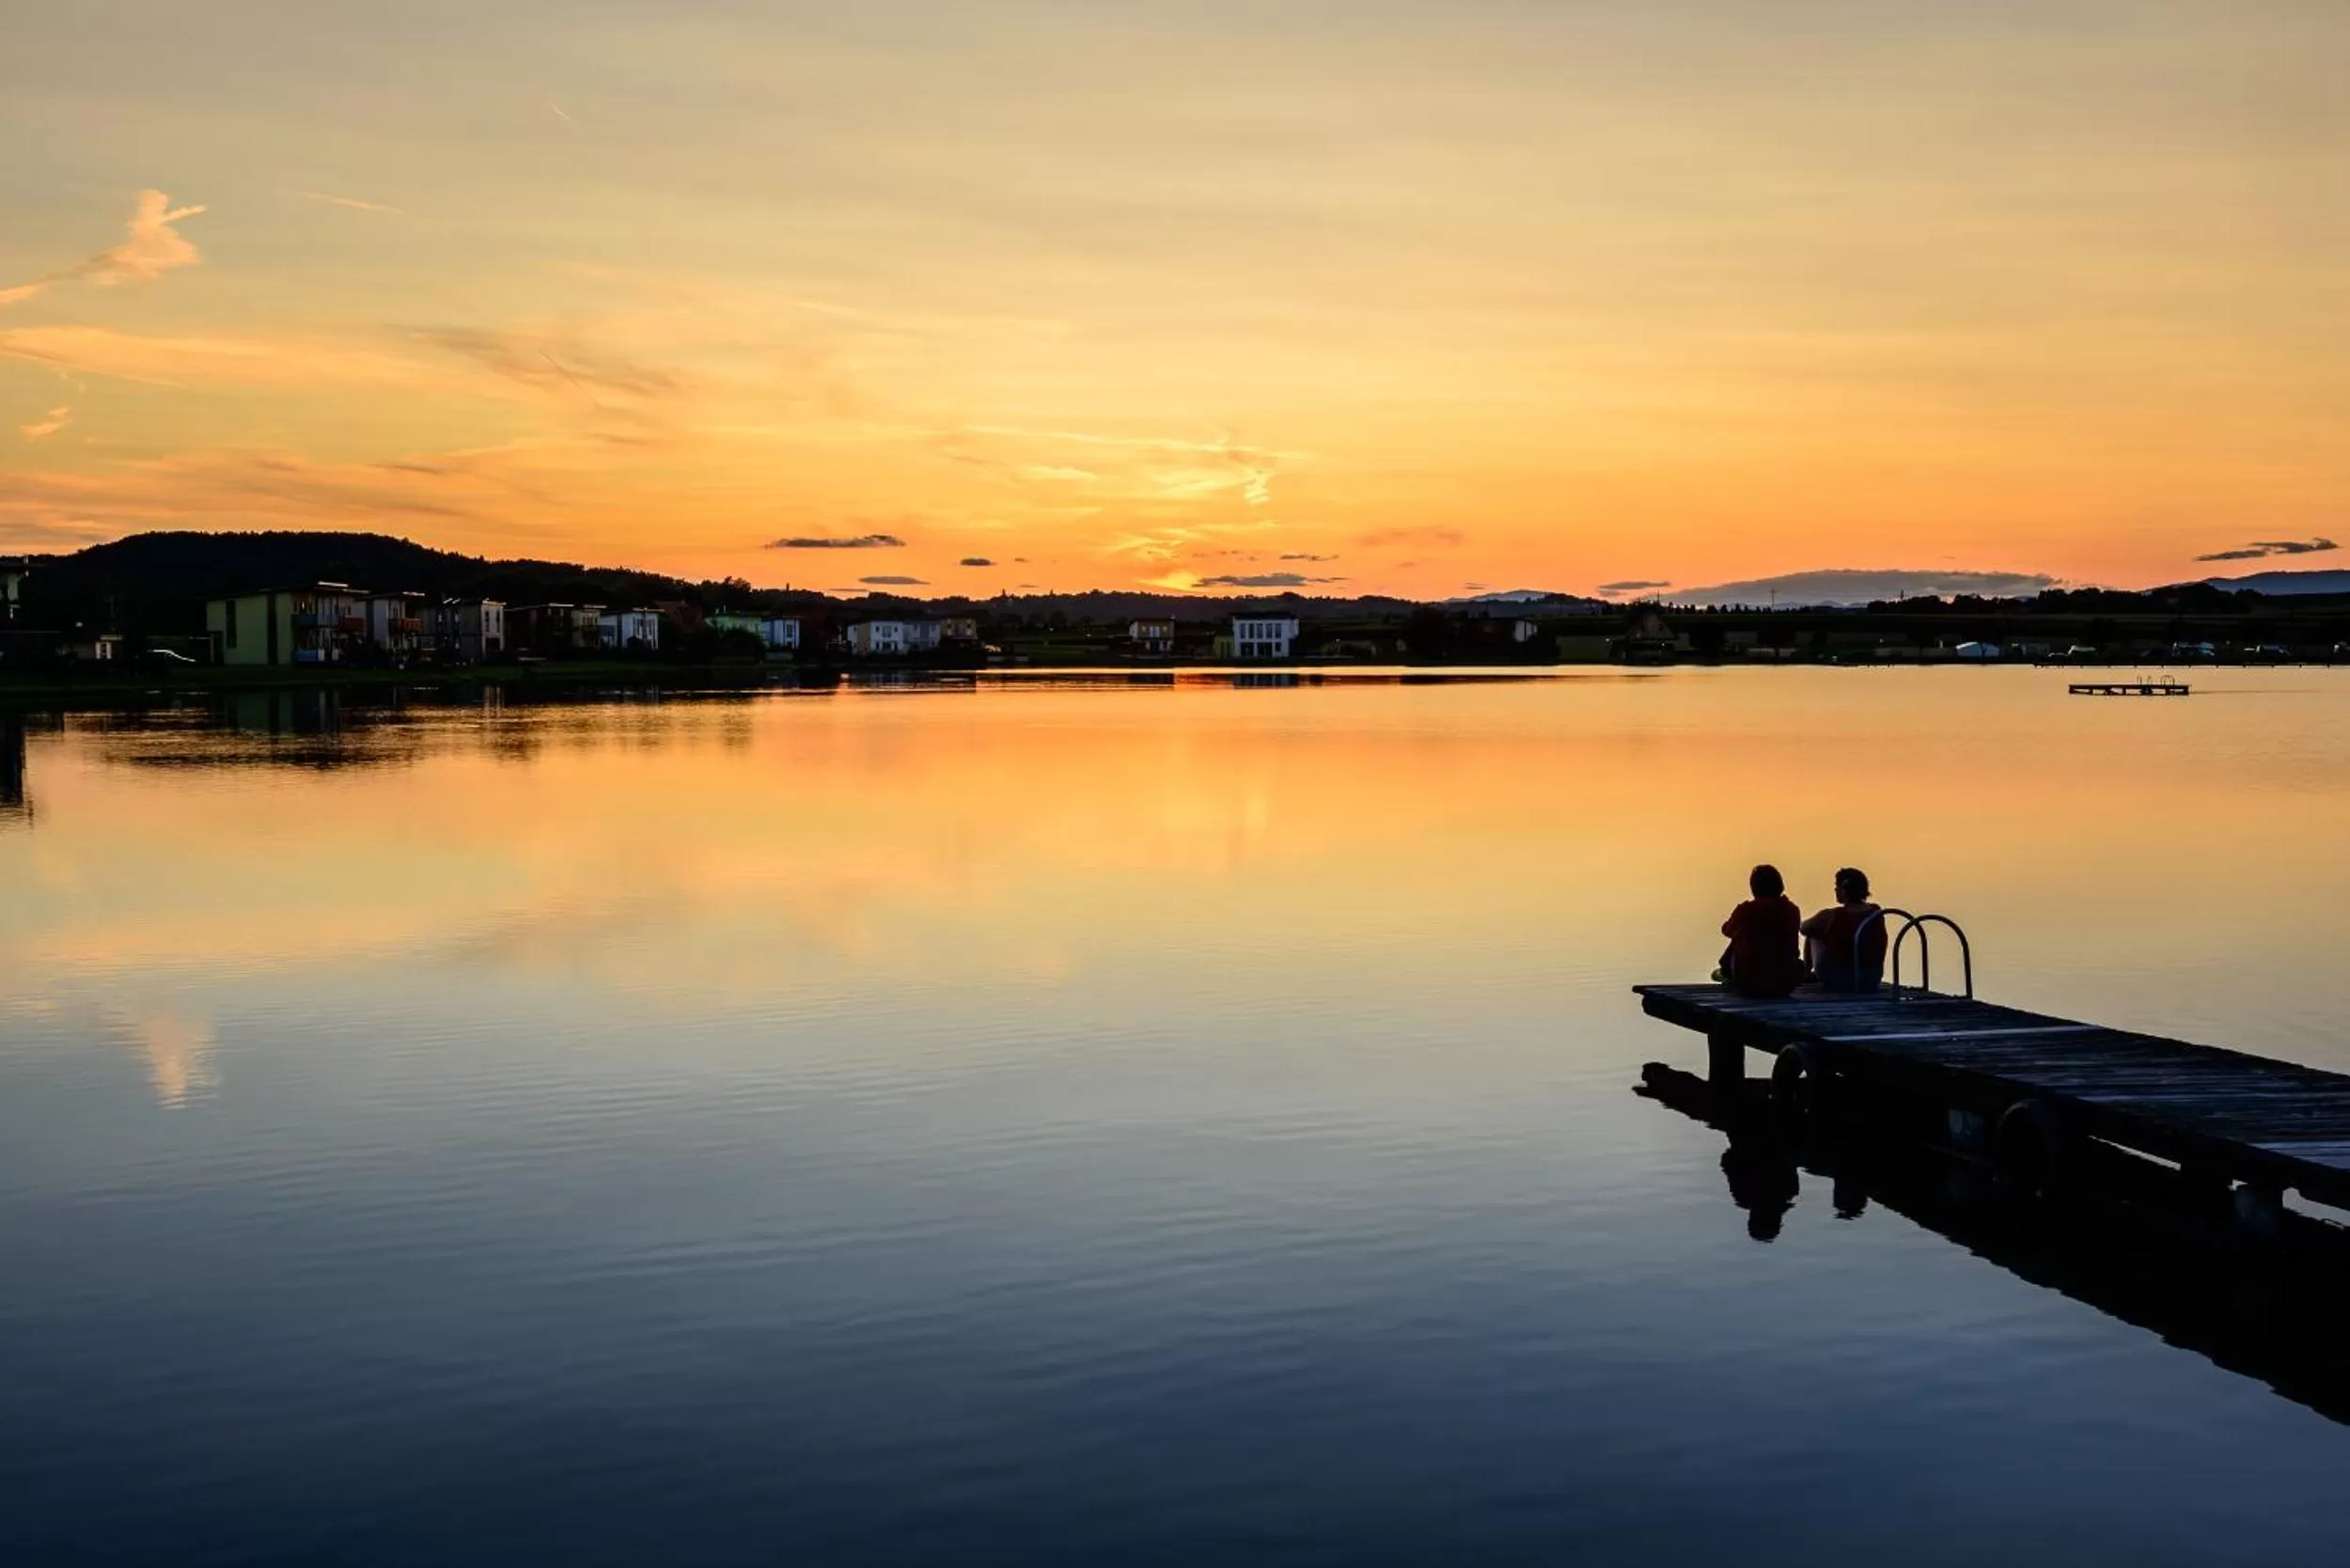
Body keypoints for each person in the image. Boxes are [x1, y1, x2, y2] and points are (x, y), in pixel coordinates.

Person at [1715, 864, 1804, 997]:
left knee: (1739, 935)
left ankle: (1726, 971)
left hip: (1751, 982)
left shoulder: (1746, 910)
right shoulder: (1791, 910)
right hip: (1785, 983)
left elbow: (1727, 930)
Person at [1802, 867, 1887, 991]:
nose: (1835, 890)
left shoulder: (1830, 915)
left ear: (1844, 890)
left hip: (1840, 979)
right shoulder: (1876, 911)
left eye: (1837, 887)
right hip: (1871, 978)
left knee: (1813, 932)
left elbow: (1803, 928)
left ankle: (1806, 973)